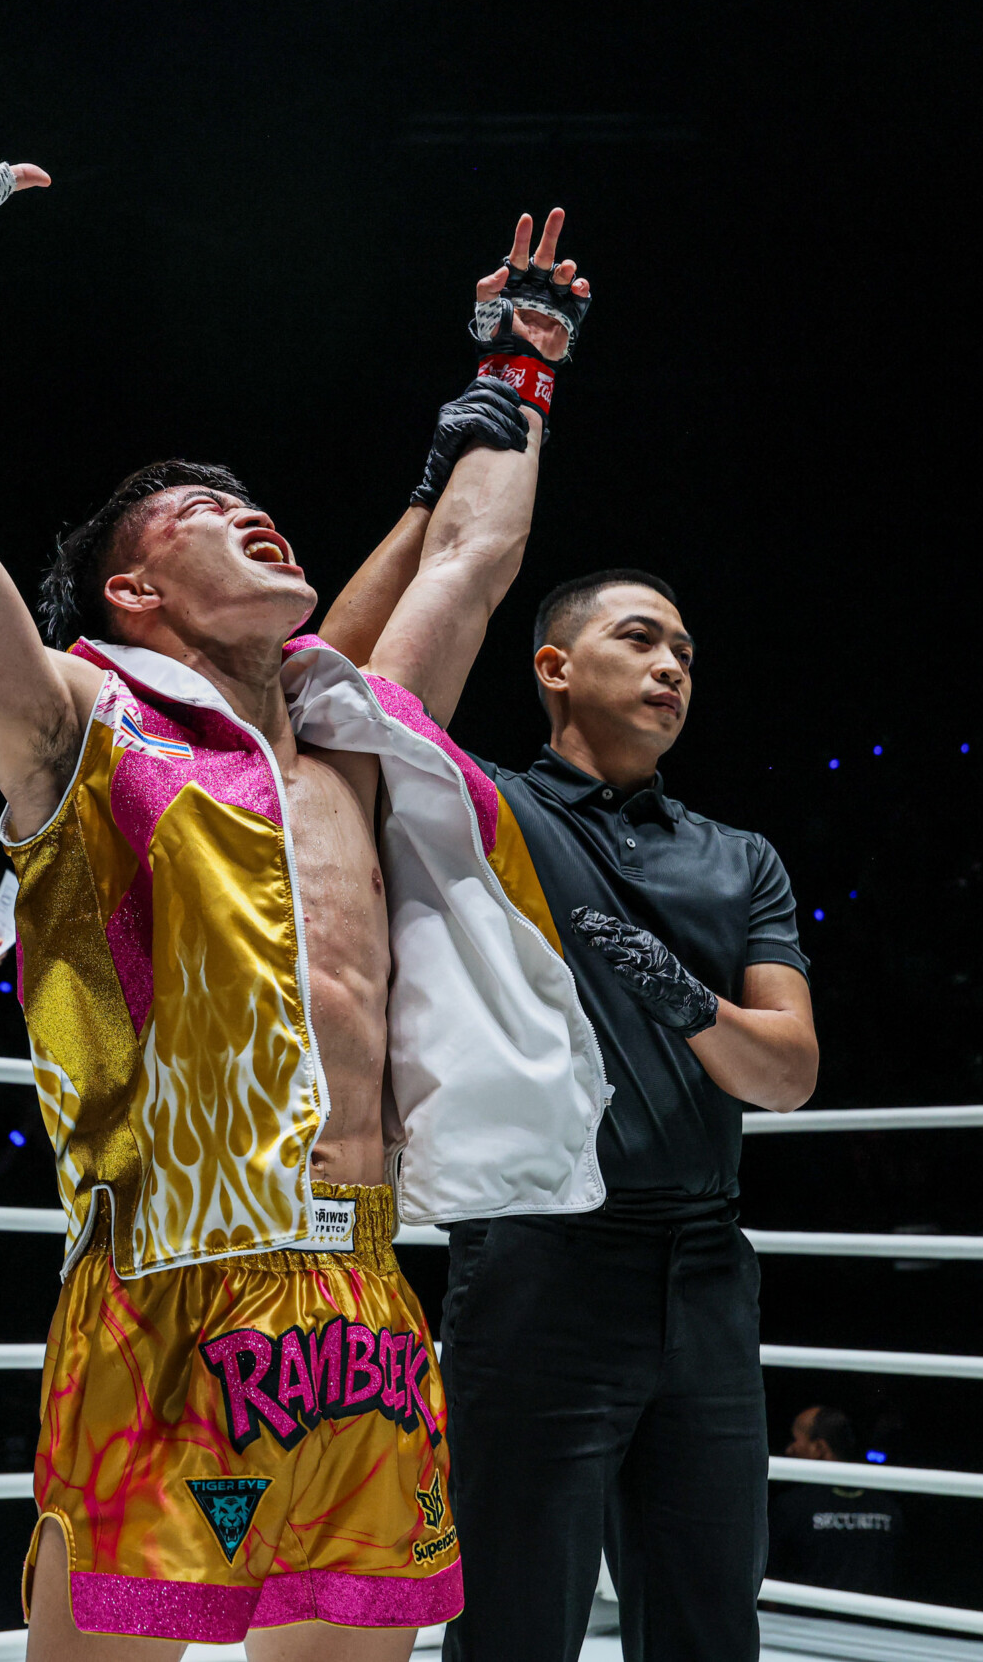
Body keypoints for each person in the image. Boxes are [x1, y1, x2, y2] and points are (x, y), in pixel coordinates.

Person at [0, 12, 584, 1657]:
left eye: (259, 501)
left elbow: (469, 555)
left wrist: (514, 374)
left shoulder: (356, 738)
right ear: (129, 589)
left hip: (369, 1289)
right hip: (168, 1281)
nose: (254, 512)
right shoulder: (74, 731)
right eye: (200, 513)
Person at [315, 557, 817, 1661]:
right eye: (640, 639)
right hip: (538, 1261)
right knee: (511, 1620)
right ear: (554, 666)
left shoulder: (740, 860)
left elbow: (787, 1073)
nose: (670, 666)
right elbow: (339, 697)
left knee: (708, 1623)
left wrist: (684, 998)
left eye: (684, 651)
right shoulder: (482, 810)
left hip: (705, 1269)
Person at [767, 1407, 899, 1596]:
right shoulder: (886, 1506)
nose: (790, 1449)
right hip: (875, 1623)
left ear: (819, 1448)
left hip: (805, 1624)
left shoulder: (791, 1507)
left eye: (795, 1439)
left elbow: (772, 1583)